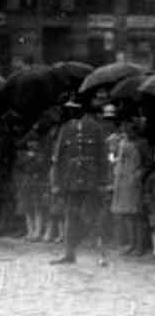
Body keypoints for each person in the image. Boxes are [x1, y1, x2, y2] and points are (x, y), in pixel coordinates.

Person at [49, 98, 110, 265]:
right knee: (70, 217)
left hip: (92, 180)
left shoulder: (96, 128)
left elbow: (102, 157)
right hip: (71, 180)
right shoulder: (66, 129)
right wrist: (56, 182)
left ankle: (101, 254)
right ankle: (69, 254)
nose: (69, 112)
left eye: (73, 109)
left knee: (93, 217)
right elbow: (58, 157)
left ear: (81, 109)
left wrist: (104, 180)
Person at [110, 116, 150, 255]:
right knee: (126, 215)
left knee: (137, 215)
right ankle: (130, 244)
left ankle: (140, 246)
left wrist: (140, 174)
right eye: (125, 130)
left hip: (134, 181)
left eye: (130, 130)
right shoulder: (122, 142)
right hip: (122, 181)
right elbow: (117, 158)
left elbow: (149, 162)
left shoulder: (142, 143)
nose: (127, 133)